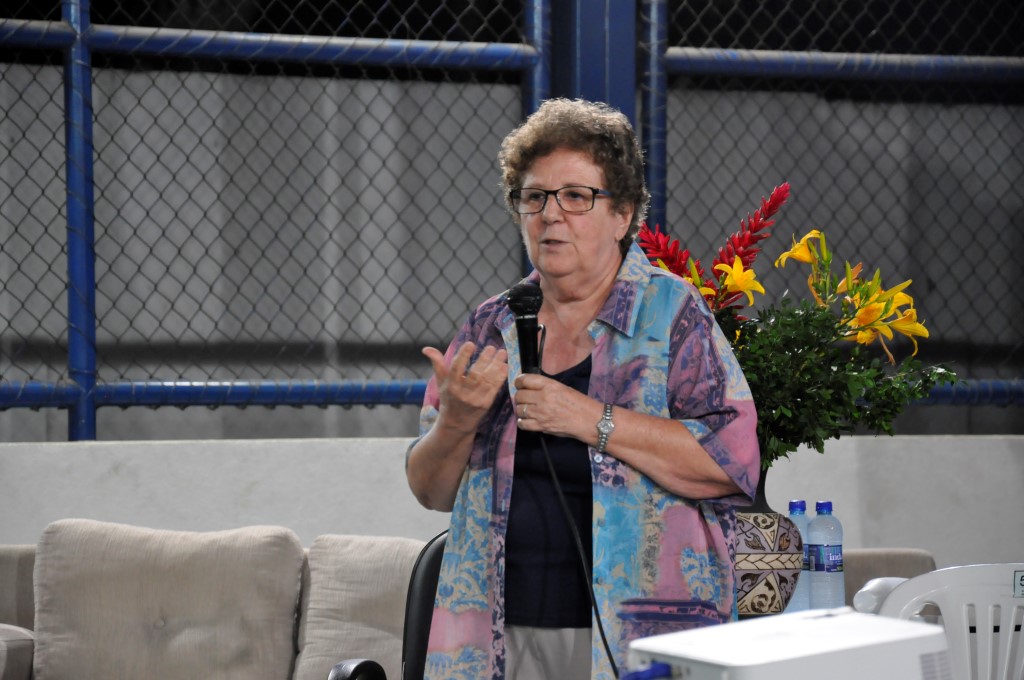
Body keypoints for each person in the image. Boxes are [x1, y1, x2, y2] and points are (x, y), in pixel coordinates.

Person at [406, 98, 759, 680]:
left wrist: (592, 418)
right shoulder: (491, 324)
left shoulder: (671, 314)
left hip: (636, 632)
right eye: (534, 197)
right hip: (495, 631)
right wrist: (456, 423)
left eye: (575, 196)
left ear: (622, 215)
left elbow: (732, 462)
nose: (551, 214)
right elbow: (429, 489)